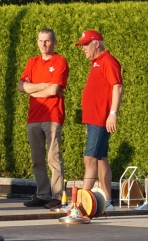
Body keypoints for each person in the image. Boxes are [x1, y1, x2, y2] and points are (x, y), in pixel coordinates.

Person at [19, 28, 68, 209]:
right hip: (33, 117)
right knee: (37, 159)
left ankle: (57, 196)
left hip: (52, 116)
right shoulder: (32, 62)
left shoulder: (60, 61)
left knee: (53, 157)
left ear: (54, 42)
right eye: (41, 40)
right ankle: (42, 194)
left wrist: (33, 90)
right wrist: (43, 85)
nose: (43, 44)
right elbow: (21, 86)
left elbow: (54, 90)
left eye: (47, 41)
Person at [74, 29, 122, 205]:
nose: (83, 48)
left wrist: (113, 113)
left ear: (96, 43)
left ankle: (81, 203)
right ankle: (107, 201)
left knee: (90, 159)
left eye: (86, 44)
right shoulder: (96, 63)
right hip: (93, 120)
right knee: (101, 159)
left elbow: (117, 86)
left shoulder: (107, 61)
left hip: (100, 118)